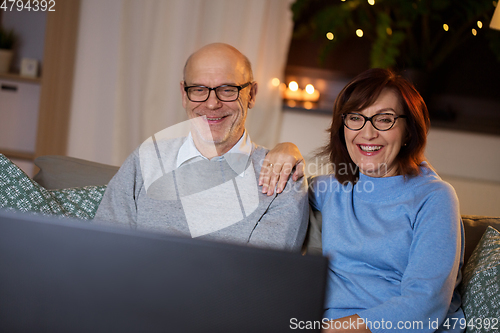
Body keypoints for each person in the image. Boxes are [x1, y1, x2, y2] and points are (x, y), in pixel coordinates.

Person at [94, 43, 308, 251]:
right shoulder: (145, 161)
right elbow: (104, 252)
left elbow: (261, 276)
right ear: (184, 94)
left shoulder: (284, 178)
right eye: (198, 89)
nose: (212, 103)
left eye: (227, 89)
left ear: (251, 94)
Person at [303, 68, 464, 332]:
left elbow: (425, 305)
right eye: (356, 118)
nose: (367, 134)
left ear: (409, 130)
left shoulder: (435, 197)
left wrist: (328, 330)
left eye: (384, 119)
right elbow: (282, 191)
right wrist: (285, 150)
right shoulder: (332, 187)